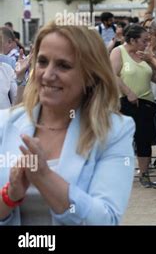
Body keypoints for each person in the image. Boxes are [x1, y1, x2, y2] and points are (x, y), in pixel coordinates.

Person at [0, 22, 135, 225]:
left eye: (63, 65)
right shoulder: (5, 123)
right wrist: (10, 195)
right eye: (42, 62)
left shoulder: (115, 130)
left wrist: (45, 178)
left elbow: (106, 219)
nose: (47, 74)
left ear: (90, 76)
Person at [110, 25, 156, 188]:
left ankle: (144, 174)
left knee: (144, 139)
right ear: (132, 40)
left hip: (146, 103)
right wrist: (128, 92)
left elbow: (154, 76)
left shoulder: (144, 55)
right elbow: (112, 74)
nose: (146, 43)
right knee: (123, 139)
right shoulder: (119, 52)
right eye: (144, 40)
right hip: (125, 102)